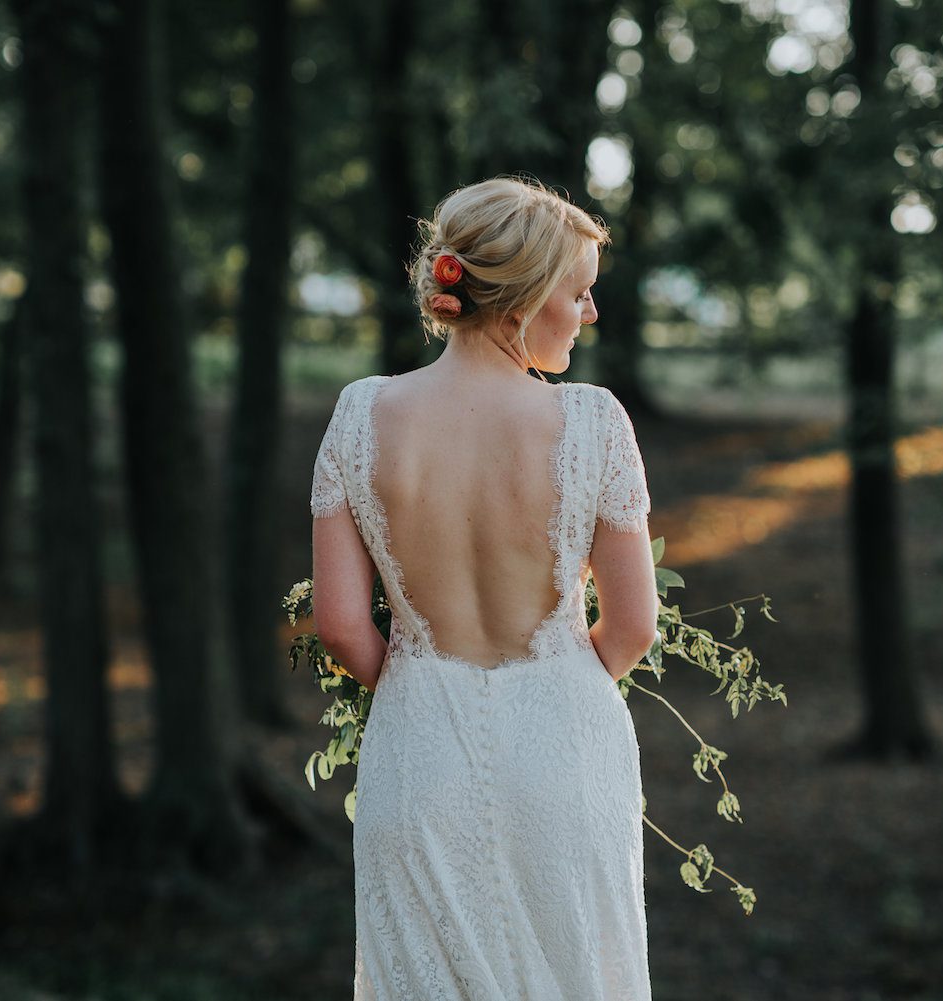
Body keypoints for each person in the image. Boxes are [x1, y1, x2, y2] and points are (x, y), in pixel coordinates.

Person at [309, 175, 657, 999]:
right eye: (579, 293)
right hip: (567, 754)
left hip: (417, 752)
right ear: (526, 299)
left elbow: (341, 628)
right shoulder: (593, 422)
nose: (590, 313)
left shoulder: (361, 414)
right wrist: (560, 687)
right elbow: (634, 626)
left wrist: (419, 686)